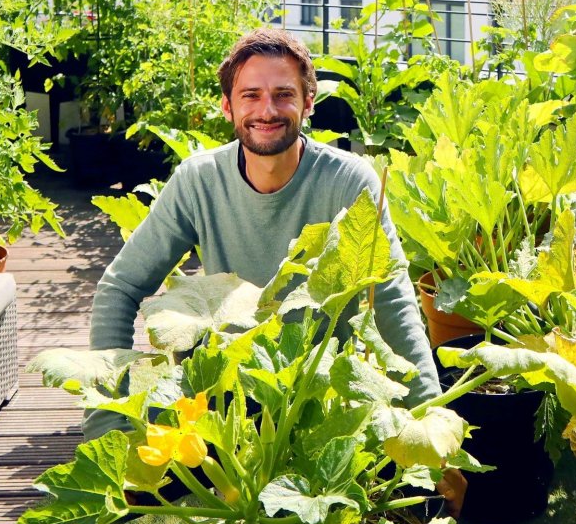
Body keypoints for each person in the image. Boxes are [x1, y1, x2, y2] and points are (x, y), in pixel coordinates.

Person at [84, 27, 442, 442]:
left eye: (284, 94)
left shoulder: (347, 181)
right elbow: (119, 287)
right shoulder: (199, 181)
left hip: (322, 401)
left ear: (309, 103)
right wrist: (107, 427)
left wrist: (427, 425)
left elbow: (394, 303)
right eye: (250, 95)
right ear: (227, 106)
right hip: (224, 403)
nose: (267, 110)